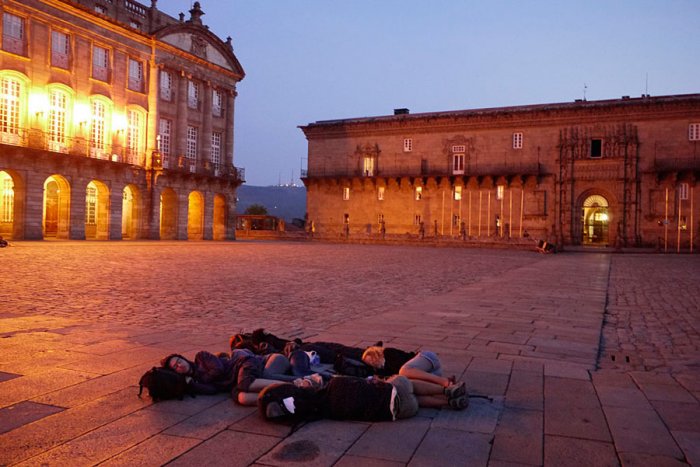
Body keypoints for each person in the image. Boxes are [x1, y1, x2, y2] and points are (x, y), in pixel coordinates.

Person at [162, 349, 313, 406]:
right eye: (175, 367)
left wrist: (202, 378)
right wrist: (193, 385)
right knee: (242, 398)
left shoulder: (201, 357)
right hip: (236, 383)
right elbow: (213, 390)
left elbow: (219, 369)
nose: (179, 366)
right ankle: (288, 397)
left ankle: (298, 384)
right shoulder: (196, 381)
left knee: (247, 382)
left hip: (245, 365)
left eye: (179, 361)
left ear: (183, 358)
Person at [258, 374, 419, 422]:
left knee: (406, 394)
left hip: (402, 412)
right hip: (400, 391)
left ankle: (442, 397)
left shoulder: (329, 412)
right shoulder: (336, 383)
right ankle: (443, 388)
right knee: (405, 376)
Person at [362, 345, 468, 410]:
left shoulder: (387, 353)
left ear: (375, 354)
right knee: (410, 394)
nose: (371, 363)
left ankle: (446, 382)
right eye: (369, 363)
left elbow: (401, 370)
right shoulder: (382, 371)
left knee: (403, 372)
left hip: (426, 360)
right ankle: (450, 400)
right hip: (429, 374)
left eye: (370, 359)